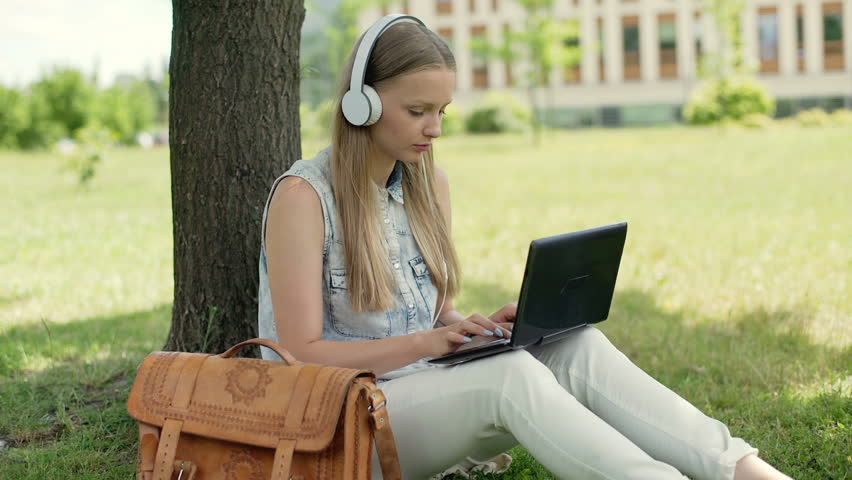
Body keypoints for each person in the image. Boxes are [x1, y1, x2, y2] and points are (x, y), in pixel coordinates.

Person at [257, 14, 792, 480]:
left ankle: (743, 471)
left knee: (574, 346)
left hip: (422, 397)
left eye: (443, 111)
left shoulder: (427, 186)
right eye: (418, 110)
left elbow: (430, 310)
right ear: (361, 104)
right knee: (508, 379)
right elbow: (302, 353)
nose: (435, 128)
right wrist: (430, 343)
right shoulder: (304, 198)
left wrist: (474, 331)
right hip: (340, 429)